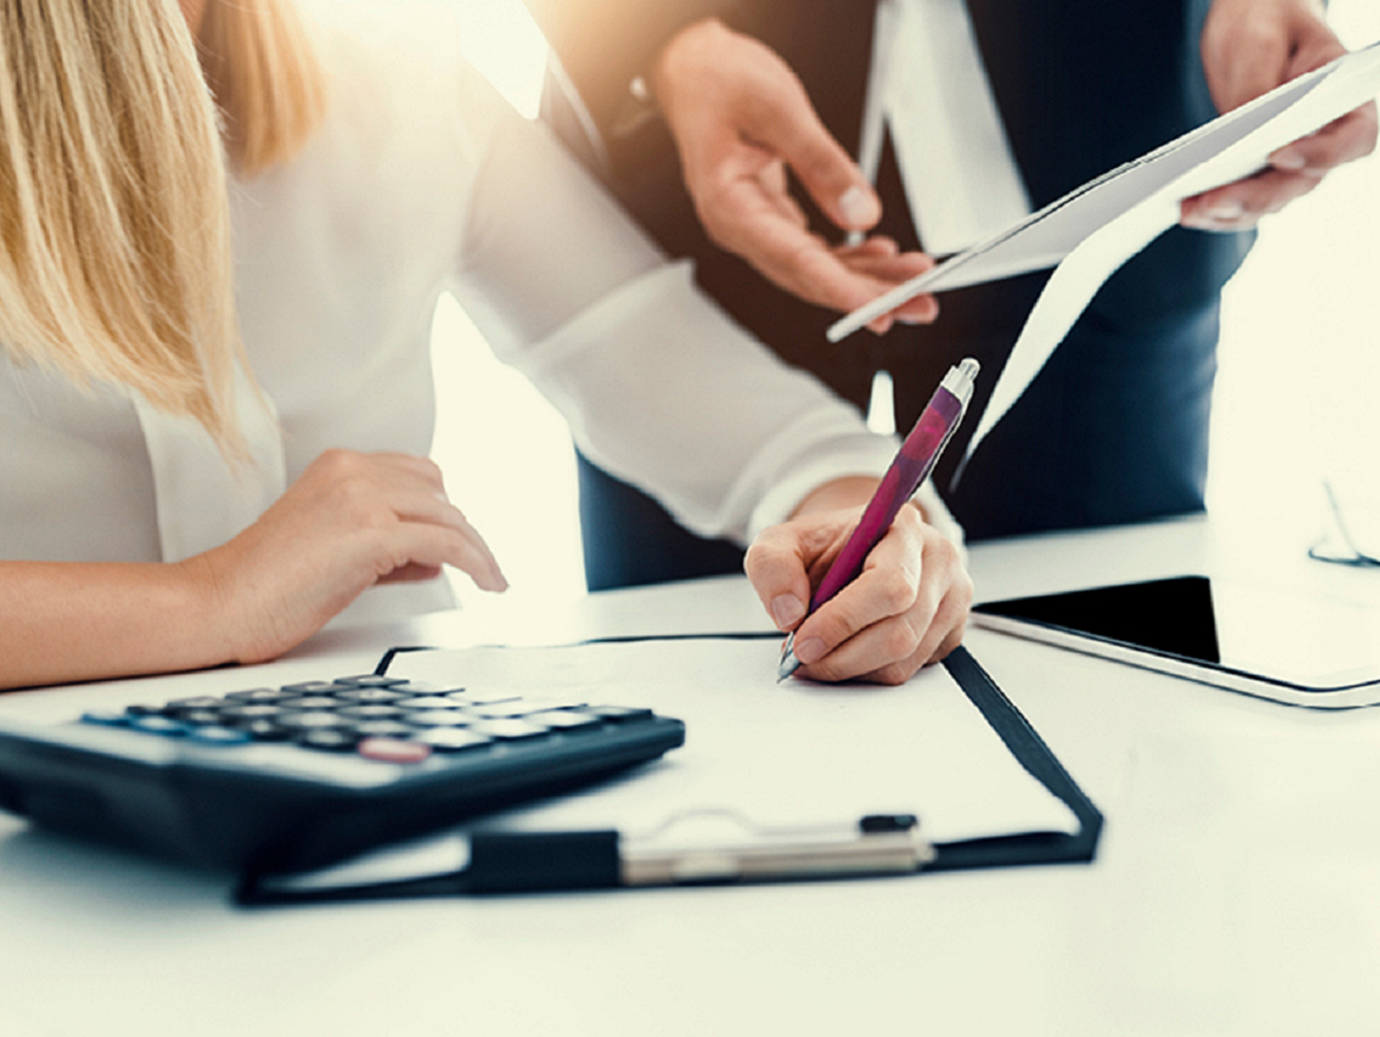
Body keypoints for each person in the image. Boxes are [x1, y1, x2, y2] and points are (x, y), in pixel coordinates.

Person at [0, 0, 971, 691]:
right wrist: (209, 600)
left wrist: (869, 525)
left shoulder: (394, 72)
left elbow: (702, 396)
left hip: (390, 783)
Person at [525, 0, 1378, 589]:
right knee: (703, 694)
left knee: (1112, 699)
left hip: (1113, 173)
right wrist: (659, 46)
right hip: (687, 201)